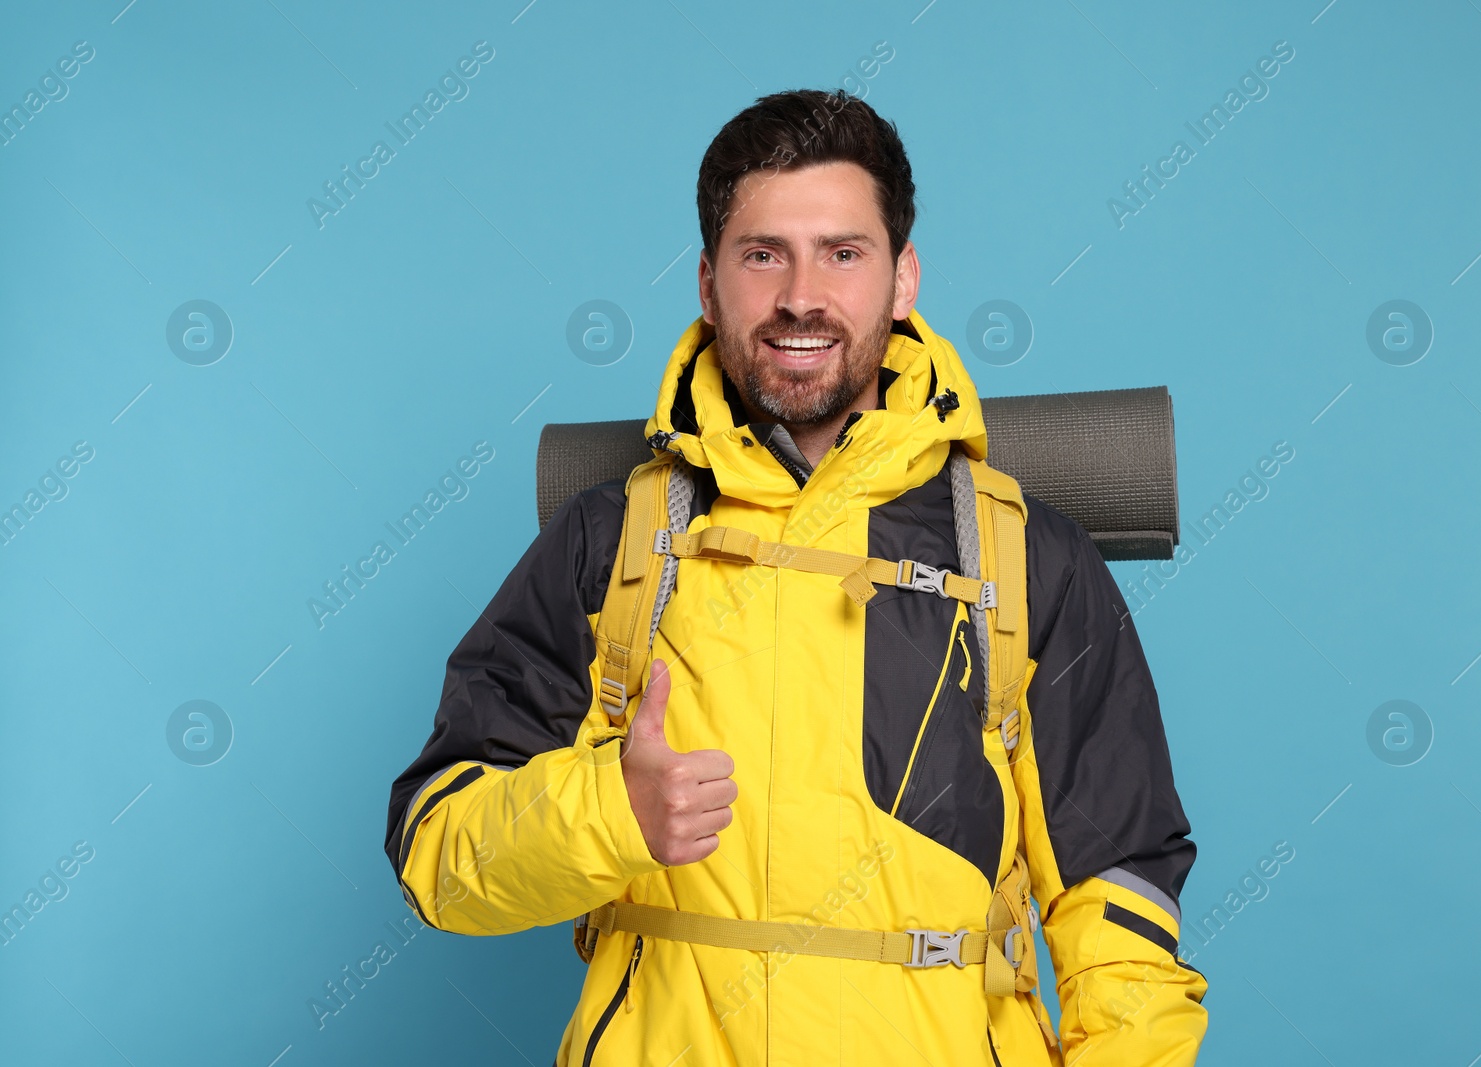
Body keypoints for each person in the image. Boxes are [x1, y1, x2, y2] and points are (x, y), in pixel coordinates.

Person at [384, 88, 1207, 1067]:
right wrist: (610, 810)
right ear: (706, 281)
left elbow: (1118, 901)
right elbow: (440, 856)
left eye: (842, 252)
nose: (800, 296)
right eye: (762, 252)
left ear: (902, 277)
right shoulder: (609, 544)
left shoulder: (1027, 557)